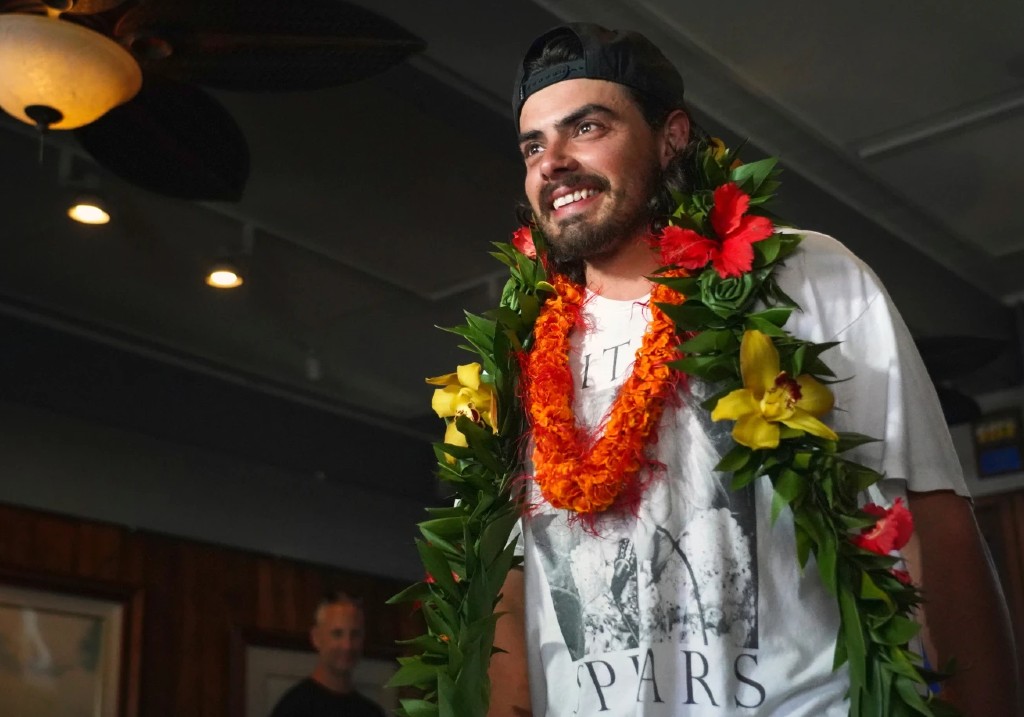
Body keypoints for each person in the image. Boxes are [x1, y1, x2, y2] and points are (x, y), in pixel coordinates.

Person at [487, 23, 1019, 716]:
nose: (551, 161)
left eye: (586, 126)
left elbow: (934, 522)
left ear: (672, 135)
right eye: (534, 145)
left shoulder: (805, 276)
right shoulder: (524, 352)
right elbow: (514, 593)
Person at [270, 592, 384, 717]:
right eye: (337, 634)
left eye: (355, 634)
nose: (347, 645)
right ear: (316, 638)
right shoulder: (293, 708)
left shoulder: (371, 712)